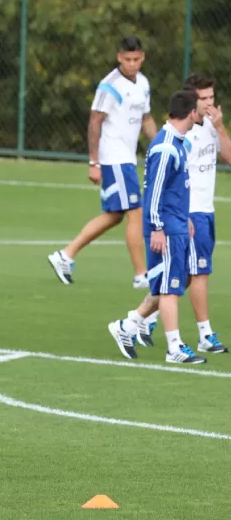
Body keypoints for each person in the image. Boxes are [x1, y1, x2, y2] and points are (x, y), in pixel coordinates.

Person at [48, 35, 157, 288]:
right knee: (135, 211)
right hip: (114, 157)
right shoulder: (110, 85)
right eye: (127, 59)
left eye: (137, 59)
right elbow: (95, 121)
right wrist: (94, 162)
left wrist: (162, 144)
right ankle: (141, 275)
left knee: (115, 215)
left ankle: (65, 255)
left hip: (127, 158)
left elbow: (147, 118)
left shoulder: (143, 83)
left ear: (143, 58)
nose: (132, 64)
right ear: (119, 57)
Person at [107, 90, 205, 364]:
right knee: (170, 289)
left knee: (169, 284)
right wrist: (159, 228)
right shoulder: (166, 147)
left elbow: (172, 190)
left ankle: (127, 326)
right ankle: (174, 348)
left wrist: (183, 217)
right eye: (199, 109)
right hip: (166, 229)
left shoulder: (177, 142)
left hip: (176, 224)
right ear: (191, 113)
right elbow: (154, 193)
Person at [139, 74, 231, 353]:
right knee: (196, 273)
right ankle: (204, 334)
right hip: (188, 213)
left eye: (212, 98)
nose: (208, 104)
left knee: (183, 275)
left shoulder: (211, 126)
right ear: (192, 102)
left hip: (205, 209)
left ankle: (140, 319)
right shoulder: (183, 132)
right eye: (203, 99)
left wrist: (221, 128)